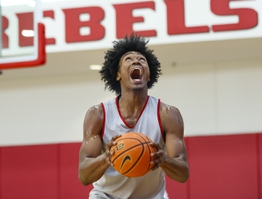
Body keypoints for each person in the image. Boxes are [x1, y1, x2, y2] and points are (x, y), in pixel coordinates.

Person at [78, 34, 189, 199]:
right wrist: (107, 157)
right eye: (128, 59)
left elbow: (183, 174)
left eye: (142, 60)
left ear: (149, 75)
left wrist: (163, 160)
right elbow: (84, 176)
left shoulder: (167, 114)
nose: (136, 61)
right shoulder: (98, 114)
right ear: (118, 75)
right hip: (107, 196)